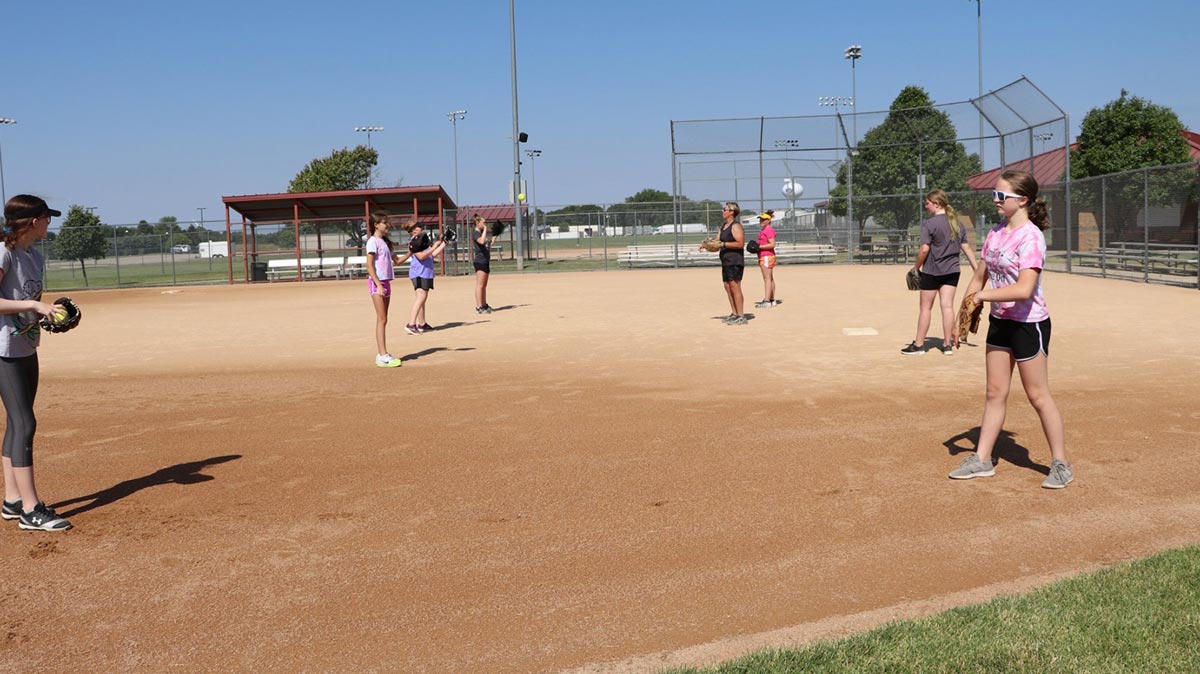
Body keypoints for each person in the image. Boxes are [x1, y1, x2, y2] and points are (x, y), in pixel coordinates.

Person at [949, 170, 1073, 489]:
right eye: (995, 194)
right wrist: (963, 316)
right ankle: (982, 459)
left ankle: (1060, 463)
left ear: (1022, 200)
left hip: (1029, 324)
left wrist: (982, 296)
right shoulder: (995, 233)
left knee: (1038, 395)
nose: (995, 200)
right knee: (994, 392)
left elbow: (1024, 289)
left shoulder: (1031, 237)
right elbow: (980, 276)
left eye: (1001, 196)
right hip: (1001, 322)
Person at [0, 195, 73, 530]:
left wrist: (47, 315)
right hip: (3, 351)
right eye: (47, 217)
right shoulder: (5, 253)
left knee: (17, 424)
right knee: (26, 423)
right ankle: (31, 510)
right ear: (33, 221)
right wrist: (34, 305)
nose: (49, 223)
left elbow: (26, 306)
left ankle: (13, 500)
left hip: (25, 346)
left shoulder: (34, 256)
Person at [902, 189, 979, 355]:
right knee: (947, 306)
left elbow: (924, 249)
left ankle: (919, 345)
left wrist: (916, 267)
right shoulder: (958, 223)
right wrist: (976, 268)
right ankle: (946, 345)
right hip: (952, 271)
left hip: (932, 271)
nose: (926, 206)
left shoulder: (930, 224)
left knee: (925, 308)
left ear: (936, 204)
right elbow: (966, 247)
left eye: (928, 203)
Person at [364, 211, 403, 368]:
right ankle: (382, 355)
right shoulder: (372, 241)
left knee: (384, 318)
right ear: (376, 225)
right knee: (381, 319)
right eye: (384, 222)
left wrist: (412, 251)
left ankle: (383, 354)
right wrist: (378, 284)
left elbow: (398, 261)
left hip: (386, 282)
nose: (387, 225)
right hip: (377, 283)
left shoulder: (385, 243)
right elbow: (369, 265)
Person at [397, 220, 447, 335]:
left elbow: (431, 254)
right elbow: (422, 256)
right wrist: (434, 246)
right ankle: (411, 324)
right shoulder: (414, 242)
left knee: (422, 299)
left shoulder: (422, 241)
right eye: (418, 227)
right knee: (421, 297)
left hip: (426, 273)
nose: (420, 228)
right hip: (419, 273)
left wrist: (444, 243)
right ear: (414, 230)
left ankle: (422, 324)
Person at [700, 201, 746, 325]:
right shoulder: (723, 226)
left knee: (735, 286)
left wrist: (724, 244)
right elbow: (717, 242)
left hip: (734, 260)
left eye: (725, 209)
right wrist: (706, 245)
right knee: (728, 287)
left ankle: (741, 315)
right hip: (725, 260)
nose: (722, 211)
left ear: (732, 212)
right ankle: (735, 313)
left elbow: (740, 243)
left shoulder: (736, 226)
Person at [752, 210, 780, 308]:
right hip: (765, 256)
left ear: (769, 220)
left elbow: (772, 244)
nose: (761, 221)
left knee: (767, 278)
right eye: (761, 220)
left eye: (764, 220)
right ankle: (772, 299)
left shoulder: (768, 230)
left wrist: (759, 247)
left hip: (767, 256)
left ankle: (767, 300)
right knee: (770, 278)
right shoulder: (764, 230)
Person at [471, 214, 495, 314]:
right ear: (477, 223)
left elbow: (487, 244)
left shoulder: (480, 233)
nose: (485, 224)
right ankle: (479, 306)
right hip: (480, 261)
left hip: (485, 261)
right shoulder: (476, 233)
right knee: (480, 285)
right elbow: (481, 241)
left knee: (484, 285)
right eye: (483, 223)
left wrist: (495, 235)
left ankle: (484, 305)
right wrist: (485, 229)